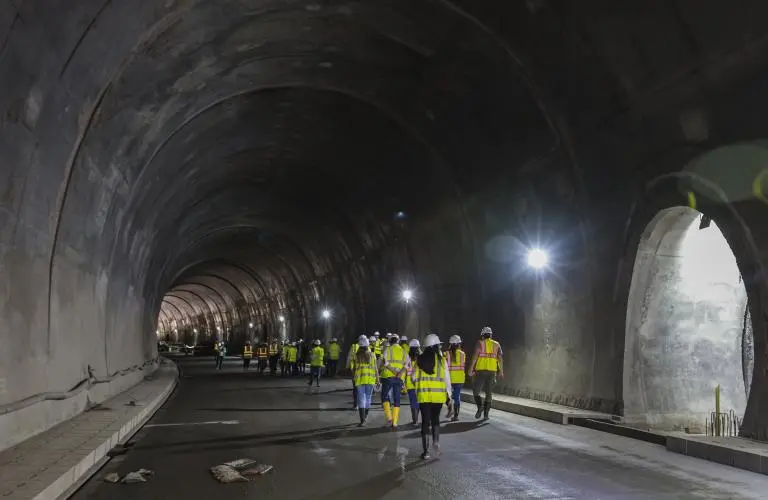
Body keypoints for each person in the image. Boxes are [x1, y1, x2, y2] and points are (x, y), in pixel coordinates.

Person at [412, 334, 451, 460]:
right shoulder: (442, 361)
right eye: (439, 345)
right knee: (435, 420)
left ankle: (426, 452)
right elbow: (447, 380)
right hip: (438, 397)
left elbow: (413, 378)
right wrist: (449, 397)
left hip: (424, 397)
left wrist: (419, 383)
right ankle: (436, 442)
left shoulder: (419, 360)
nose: (440, 347)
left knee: (425, 422)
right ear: (435, 346)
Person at [469, 326, 504, 420]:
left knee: (476, 391)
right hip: (492, 372)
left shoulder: (479, 343)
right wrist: (501, 371)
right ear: (491, 335)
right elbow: (500, 358)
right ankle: (486, 415)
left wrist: (471, 369)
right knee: (489, 393)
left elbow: (475, 356)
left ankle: (480, 407)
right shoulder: (497, 344)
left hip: (480, 372)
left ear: (482, 335)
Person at [380, 333, 409, 429]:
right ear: (398, 341)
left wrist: (394, 371)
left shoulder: (387, 350)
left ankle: (389, 419)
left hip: (388, 376)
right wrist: (400, 373)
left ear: (390, 341)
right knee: (397, 398)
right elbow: (407, 364)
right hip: (399, 378)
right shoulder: (403, 351)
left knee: (384, 397)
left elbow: (386, 363)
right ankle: (395, 422)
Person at [353, 336, 379, 426]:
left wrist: (354, 378)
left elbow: (355, 369)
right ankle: (366, 416)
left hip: (360, 380)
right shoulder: (373, 355)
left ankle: (362, 420)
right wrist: (378, 380)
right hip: (371, 380)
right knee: (368, 398)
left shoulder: (357, 356)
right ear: (368, 345)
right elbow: (375, 368)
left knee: (361, 399)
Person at [445, 335, 466, 421]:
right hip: (460, 379)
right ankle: (456, 416)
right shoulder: (462, 354)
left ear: (450, 344)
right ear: (459, 344)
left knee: (446, 396)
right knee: (457, 397)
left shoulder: (446, 354)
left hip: (449, 379)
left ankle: (450, 409)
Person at [405, 339, 421, 426]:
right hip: (420, 382)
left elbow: (405, 370)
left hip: (410, 382)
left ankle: (415, 420)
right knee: (418, 401)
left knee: (413, 401)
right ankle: (416, 419)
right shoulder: (422, 357)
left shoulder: (407, 357)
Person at [346, 336, 361, 409]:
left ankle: (356, 405)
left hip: (355, 369)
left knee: (356, 388)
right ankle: (362, 405)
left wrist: (347, 367)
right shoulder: (368, 348)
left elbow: (350, 357)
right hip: (365, 372)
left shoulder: (354, 346)